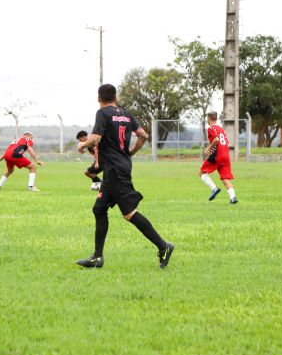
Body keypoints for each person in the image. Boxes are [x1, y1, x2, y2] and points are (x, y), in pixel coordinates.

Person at [76, 84, 174, 269]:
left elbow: (95, 138)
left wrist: (82, 145)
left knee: (129, 213)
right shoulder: (127, 114)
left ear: (99, 99)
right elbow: (143, 135)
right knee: (99, 209)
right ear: (116, 97)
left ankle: (164, 246)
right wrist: (129, 153)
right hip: (116, 169)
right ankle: (97, 257)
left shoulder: (102, 113)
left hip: (115, 171)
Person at [198, 112, 238, 204]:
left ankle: (214, 189)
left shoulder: (211, 128)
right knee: (225, 178)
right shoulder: (221, 129)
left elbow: (216, 140)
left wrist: (209, 149)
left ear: (209, 119)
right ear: (216, 118)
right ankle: (233, 198)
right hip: (226, 156)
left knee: (201, 172)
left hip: (217, 155)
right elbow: (225, 142)